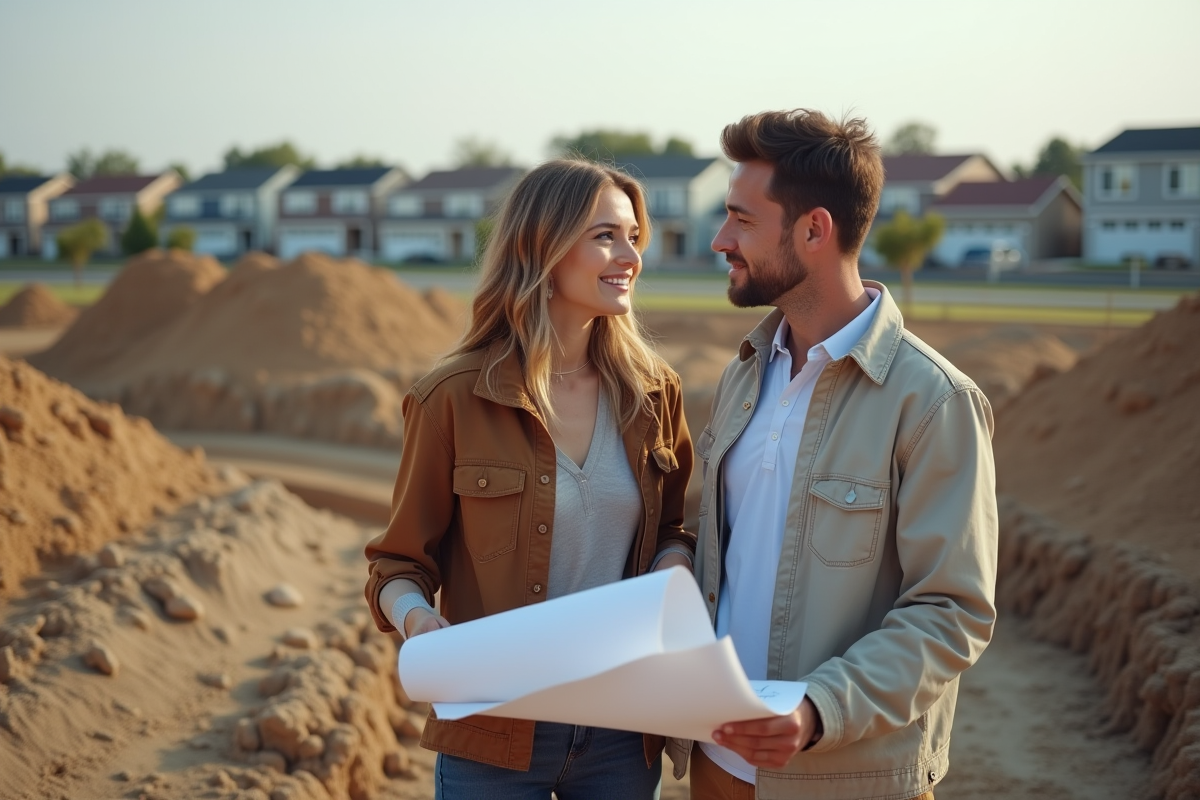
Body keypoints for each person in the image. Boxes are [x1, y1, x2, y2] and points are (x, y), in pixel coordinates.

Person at [681, 110, 998, 800]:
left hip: (845, 778)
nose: (719, 239)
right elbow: (715, 548)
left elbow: (952, 611)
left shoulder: (933, 400)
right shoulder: (744, 372)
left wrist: (818, 708)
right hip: (715, 766)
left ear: (814, 230)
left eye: (741, 219)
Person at [364, 158, 695, 799]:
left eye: (634, 237)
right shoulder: (451, 397)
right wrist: (417, 623)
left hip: (623, 731)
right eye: (605, 235)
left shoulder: (656, 394)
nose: (629, 255)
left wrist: (673, 563)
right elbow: (396, 565)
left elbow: (674, 530)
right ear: (541, 243)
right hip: (493, 730)